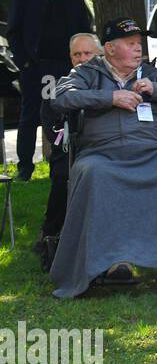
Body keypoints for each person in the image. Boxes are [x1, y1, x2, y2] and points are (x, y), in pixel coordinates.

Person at [49, 17, 157, 297]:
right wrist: (111, 98)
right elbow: (60, 98)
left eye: (138, 44)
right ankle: (112, 262)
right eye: (130, 44)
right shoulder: (88, 72)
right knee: (95, 173)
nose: (137, 49)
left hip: (150, 152)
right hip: (101, 154)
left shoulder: (152, 74)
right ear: (109, 48)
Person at [8, 0, 94, 180]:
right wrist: (24, 63)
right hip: (34, 68)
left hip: (67, 68)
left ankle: (62, 157)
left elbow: (84, 31)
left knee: (66, 116)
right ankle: (25, 167)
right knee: (29, 116)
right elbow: (13, 32)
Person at [38, 32, 100, 255]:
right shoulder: (58, 87)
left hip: (104, 149)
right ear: (70, 57)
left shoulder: (109, 83)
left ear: (99, 54)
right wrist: (71, 144)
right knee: (64, 172)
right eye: (77, 54)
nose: (82, 58)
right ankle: (52, 233)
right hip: (69, 150)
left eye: (87, 53)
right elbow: (52, 130)